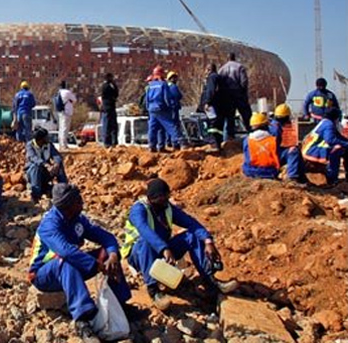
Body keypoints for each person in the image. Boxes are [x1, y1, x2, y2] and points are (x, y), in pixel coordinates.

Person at [29, 183, 131, 342]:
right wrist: (95, 265)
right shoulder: (49, 225)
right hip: (43, 275)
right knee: (66, 260)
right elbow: (66, 251)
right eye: (78, 201)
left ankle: (121, 305)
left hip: (71, 268)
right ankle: (82, 320)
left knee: (108, 254)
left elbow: (106, 237)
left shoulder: (78, 220)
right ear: (68, 205)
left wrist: (112, 255)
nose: (82, 203)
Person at [122, 178, 238, 310]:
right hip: (140, 255)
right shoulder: (138, 210)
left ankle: (211, 281)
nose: (165, 201)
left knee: (191, 236)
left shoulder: (167, 207)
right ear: (151, 199)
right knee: (145, 242)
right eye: (161, 198)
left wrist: (207, 240)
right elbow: (144, 230)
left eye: (167, 197)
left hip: (164, 252)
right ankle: (154, 291)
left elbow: (190, 223)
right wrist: (163, 248)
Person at [302, 108, 348, 185]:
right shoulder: (328, 124)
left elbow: (339, 137)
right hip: (312, 150)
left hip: (313, 148)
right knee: (337, 149)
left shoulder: (326, 122)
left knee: (344, 148)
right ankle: (332, 178)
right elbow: (330, 140)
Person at [25, 128, 67, 203]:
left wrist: (56, 164)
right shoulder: (30, 145)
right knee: (35, 167)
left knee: (59, 166)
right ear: (40, 140)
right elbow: (33, 158)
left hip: (45, 172)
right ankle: (36, 195)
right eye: (46, 137)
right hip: (32, 173)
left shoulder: (49, 145)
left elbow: (57, 155)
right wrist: (46, 165)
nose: (48, 139)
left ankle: (64, 190)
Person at [269, 104, 307, 183]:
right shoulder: (275, 129)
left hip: (273, 153)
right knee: (294, 151)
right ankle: (292, 177)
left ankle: (301, 178)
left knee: (295, 149)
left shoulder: (275, 125)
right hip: (273, 156)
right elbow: (273, 146)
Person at [146, 67, 181, 152]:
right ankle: (181, 142)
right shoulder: (163, 84)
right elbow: (166, 97)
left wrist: (148, 108)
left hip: (152, 109)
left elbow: (147, 99)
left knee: (153, 128)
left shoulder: (150, 85)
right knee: (171, 125)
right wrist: (169, 107)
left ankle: (152, 146)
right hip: (161, 107)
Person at [218, 52, 251, 133]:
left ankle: (230, 138)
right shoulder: (239, 67)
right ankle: (251, 132)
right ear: (234, 57)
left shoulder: (222, 69)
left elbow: (219, 84)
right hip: (239, 94)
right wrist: (243, 94)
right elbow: (244, 82)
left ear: (227, 58)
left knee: (229, 119)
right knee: (246, 116)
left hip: (227, 97)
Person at [242, 113, 280, 179]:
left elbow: (247, 157)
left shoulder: (246, 140)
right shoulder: (273, 140)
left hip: (251, 172)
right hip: (270, 172)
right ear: (266, 126)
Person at [199, 63, 226, 151]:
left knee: (212, 124)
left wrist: (207, 102)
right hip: (220, 105)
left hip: (212, 105)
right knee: (218, 126)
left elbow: (210, 90)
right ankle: (218, 143)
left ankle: (214, 145)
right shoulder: (219, 78)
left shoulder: (212, 78)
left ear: (208, 70)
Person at [57, 80, 77, 150]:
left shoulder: (58, 92)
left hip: (60, 112)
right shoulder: (67, 92)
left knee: (61, 128)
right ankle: (64, 145)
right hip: (66, 112)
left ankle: (61, 144)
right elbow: (74, 99)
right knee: (65, 128)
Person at [100, 73, 119, 147]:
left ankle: (114, 141)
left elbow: (116, 93)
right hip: (107, 107)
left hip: (112, 106)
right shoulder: (105, 86)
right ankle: (107, 142)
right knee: (107, 125)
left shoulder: (112, 85)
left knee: (113, 125)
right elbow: (105, 94)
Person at [166, 71, 184, 148]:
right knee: (174, 125)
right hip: (173, 108)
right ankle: (175, 142)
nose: (176, 79)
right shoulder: (173, 87)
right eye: (174, 78)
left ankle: (168, 141)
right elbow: (179, 95)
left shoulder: (166, 86)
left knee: (169, 125)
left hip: (168, 109)